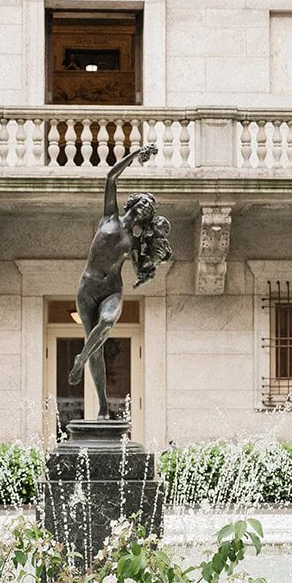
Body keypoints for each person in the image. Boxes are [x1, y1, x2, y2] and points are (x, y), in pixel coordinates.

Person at [67, 143, 172, 419]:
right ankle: (103, 406)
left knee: (106, 323)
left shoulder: (135, 241)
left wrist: (151, 267)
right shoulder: (109, 216)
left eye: (150, 208)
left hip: (112, 290)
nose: (146, 207)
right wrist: (136, 154)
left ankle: (80, 359)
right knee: (98, 349)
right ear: (133, 202)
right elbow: (111, 176)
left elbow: (140, 267)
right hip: (88, 289)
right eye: (144, 202)